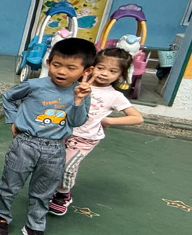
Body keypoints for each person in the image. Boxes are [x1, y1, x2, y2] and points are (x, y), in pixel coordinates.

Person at [0, 37, 95, 235]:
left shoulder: (82, 93)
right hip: (25, 143)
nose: (61, 71)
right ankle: (1, 218)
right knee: (10, 185)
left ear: (86, 71)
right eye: (56, 64)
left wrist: (78, 100)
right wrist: (13, 120)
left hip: (56, 148)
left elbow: (77, 122)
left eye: (71, 68)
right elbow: (8, 98)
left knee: (44, 191)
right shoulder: (34, 85)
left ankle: (35, 226)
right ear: (48, 63)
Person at [49, 47, 144, 215]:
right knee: (51, 164)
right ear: (91, 68)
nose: (104, 74)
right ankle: (49, 190)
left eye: (112, 71)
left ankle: (63, 194)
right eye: (101, 68)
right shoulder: (77, 85)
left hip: (85, 139)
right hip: (62, 133)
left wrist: (109, 120)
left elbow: (137, 118)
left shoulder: (115, 96)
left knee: (67, 167)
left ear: (120, 75)